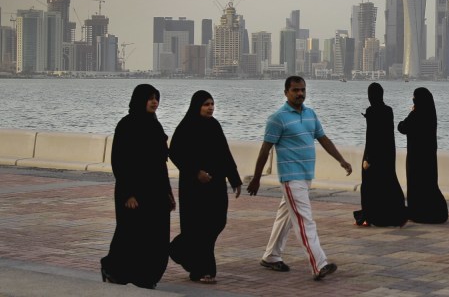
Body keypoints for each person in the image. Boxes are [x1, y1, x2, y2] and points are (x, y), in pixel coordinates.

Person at [247, 76, 352, 281]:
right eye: (295, 90)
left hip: (305, 176)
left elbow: (324, 139)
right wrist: (257, 177)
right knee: (305, 220)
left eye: (303, 90)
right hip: (291, 177)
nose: (300, 94)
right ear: (286, 92)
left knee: (285, 216)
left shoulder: (310, 114)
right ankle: (318, 264)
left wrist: (341, 160)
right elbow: (265, 150)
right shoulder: (277, 118)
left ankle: (271, 256)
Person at [101, 84, 175, 289]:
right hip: (133, 192)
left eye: (156, 98)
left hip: (156, 191)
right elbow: (120, 161)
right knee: (130, 235)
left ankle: (147, 277)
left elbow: (161, 164)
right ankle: (112, 268)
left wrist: (168, 193)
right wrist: (128, 194)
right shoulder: (126, 125)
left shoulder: (155, 125)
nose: (154, 102)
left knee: (157, 236)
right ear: (139, 100)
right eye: (149, 98)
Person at [168, 90, 243, 284]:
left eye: (212, 104)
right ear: (196, 106)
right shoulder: (186, 127)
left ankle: (177, 250)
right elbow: (175, 153)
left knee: (217, 222)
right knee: (197, 227)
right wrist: (196, 171)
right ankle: (203, 270)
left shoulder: (214, 125)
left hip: (215, 185)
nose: (210, 108)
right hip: (194, 188)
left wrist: (234, 179)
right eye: (206, 104)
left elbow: (225, 154)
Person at [353, 82, 408, 227]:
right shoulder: (388, 110)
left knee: (369, 186)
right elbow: (386, 135)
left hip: (373, 154)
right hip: (387, 155)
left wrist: (368, 159)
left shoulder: (371, 111)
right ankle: (398, 215)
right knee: (389, 184)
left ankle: (368, 216)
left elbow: (372, 136)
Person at [397, 87, 448, 224]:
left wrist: (411, 112)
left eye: (415, 97)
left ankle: (418, 211)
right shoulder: (431, 114)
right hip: (429, 156)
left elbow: (402, 127)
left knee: (416, 184)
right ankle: (433, 211)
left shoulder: (416, 114)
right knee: (428, 184)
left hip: (415, 156)